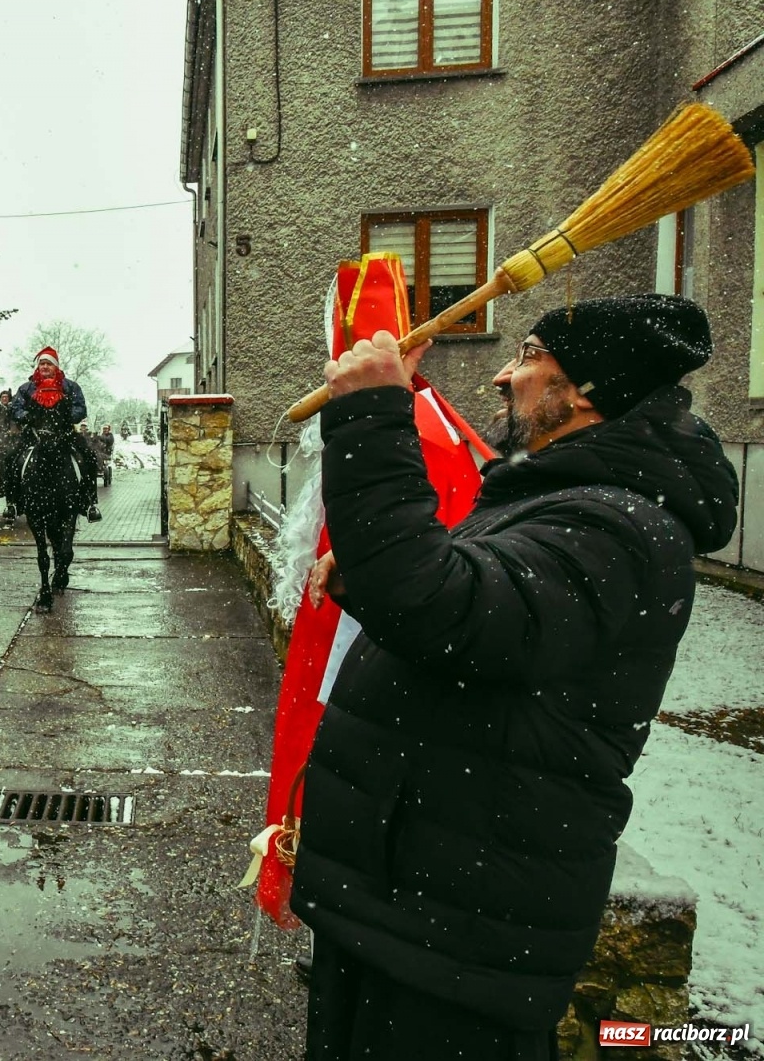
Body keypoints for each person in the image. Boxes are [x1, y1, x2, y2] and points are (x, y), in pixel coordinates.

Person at [293, 294, 738, 1061]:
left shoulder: (619, 526)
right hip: (417, 906)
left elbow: (442, 608)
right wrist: (370, 576)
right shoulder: (562, 501)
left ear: (587, 390)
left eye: (529, 355)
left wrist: (373, 414)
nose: (503, 375)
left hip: (462, 935)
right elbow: (478, 616)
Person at [7, 346, 102, 521]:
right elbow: (15, 408)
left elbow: (80, 408)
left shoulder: (70, 387)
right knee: (11, 457)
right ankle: (12, 502)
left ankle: (89, 503)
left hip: (64, 434)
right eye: (41, 364)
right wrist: (27, 417)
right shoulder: (27, 388)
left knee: (89, 456)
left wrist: (64, 418)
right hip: (33, 435)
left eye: (48, 364)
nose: (44, 367)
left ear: (56, 367)